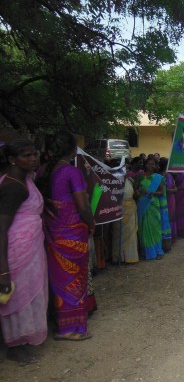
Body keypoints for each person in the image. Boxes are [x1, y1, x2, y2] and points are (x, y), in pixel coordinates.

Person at [38, 131, 95, 341]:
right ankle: (71, 329)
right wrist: (91, 222)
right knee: (75, 278)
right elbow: (82, 205)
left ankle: (61, 323)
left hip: (53, 234)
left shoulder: (43, 171)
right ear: (72, 150)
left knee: (60, 278)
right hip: (73, 235)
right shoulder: (71, 172)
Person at [0, 139, 48, 363]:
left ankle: (25, 338)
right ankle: (15, 345)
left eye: (34, 154)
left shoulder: (24, 179)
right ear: (12, 159)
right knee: (18, 296)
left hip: (30, 246)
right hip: (17, 250)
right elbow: (1, 229)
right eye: (26, 155)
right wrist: (3, 270)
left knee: (29, 294)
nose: (33, 158)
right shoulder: (13, 186)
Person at [136, 157, 165, 260]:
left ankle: (158, 251)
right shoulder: (140, 177)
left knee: (155, 228)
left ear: (156, 166)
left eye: (153, 164)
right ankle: (147, 252)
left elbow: (161, 192)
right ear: (145, 164)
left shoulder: (158, 177)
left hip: (153, 205)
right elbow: (136, 190)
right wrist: (139, 192)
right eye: (149, 164)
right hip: (142, 204)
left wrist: (153, 193)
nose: (151, 166)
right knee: (144, 228)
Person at [112, 166, 139, 264]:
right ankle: (118, 257)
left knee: (131, 233)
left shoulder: (130, 180)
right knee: (118, 234)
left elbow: (135, 194)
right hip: (119, 210)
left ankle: (130, 257)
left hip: (130, 208)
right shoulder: (113, 181)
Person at [157, 158, 172, 252]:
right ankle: (161, 244)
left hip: (165, 200)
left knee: (165, 220)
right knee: (161, 221)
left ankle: (166, 245)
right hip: (158, 201)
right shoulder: (158, 176)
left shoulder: (167, 175)